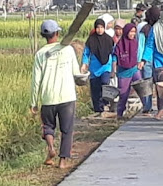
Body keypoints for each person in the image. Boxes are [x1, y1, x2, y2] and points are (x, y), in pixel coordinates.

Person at [30, 20, 80, 169]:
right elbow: (76, 73)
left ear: (43, 35)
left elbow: (35, 81)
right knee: (67, 129)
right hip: (67, 96)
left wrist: (33, 102)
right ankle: (63, 160)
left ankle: (51, 148)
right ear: (57, 33)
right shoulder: (68, 50)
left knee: (48, 126)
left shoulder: (40, 54)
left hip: (47, 97)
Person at [81, 19, 115, 113]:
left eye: (101, 27)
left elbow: (113, 53)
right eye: (98, 27)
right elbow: (86, 53)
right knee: (95, 89)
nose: (100, 30)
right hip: (94, 68)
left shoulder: (109, 39)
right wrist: (84, 64)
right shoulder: (91, 40)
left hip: (105, 67)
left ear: (104, 28)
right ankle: (98, 109)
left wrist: (114, 66)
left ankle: (105, 103)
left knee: (104, 83)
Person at [113, 24, 143, 120]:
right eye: (131, 32)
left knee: (142, 87)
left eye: (134, 32)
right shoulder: (119, 44)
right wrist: (113, 69)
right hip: (123, 72)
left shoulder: (135, 43)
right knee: (123, 94)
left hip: (134, 69)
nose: (132, 34)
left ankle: (147, 109)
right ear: (126, 32)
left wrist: (140, 62)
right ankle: (120, 114)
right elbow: (115, 57)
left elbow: (138, 54)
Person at [137, 5, 160, 114]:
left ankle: (147, 106)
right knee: (158, 84)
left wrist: (141, 59)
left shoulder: (145, 28)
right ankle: (161, 107)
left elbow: (141, 46)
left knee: (147, 83)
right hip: (156, 59)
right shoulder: (159, 27)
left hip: (147, 60)